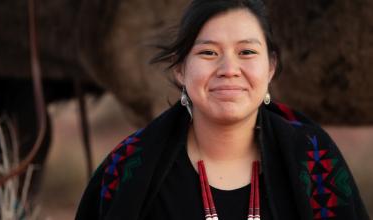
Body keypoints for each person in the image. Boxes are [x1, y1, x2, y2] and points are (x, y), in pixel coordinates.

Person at [75, 0, 369, 219]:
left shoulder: (315, 160)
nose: (229, 69)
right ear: (180, 70)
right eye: (208, 53)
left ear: (271, 68)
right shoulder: (127, 168)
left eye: (247, 52)